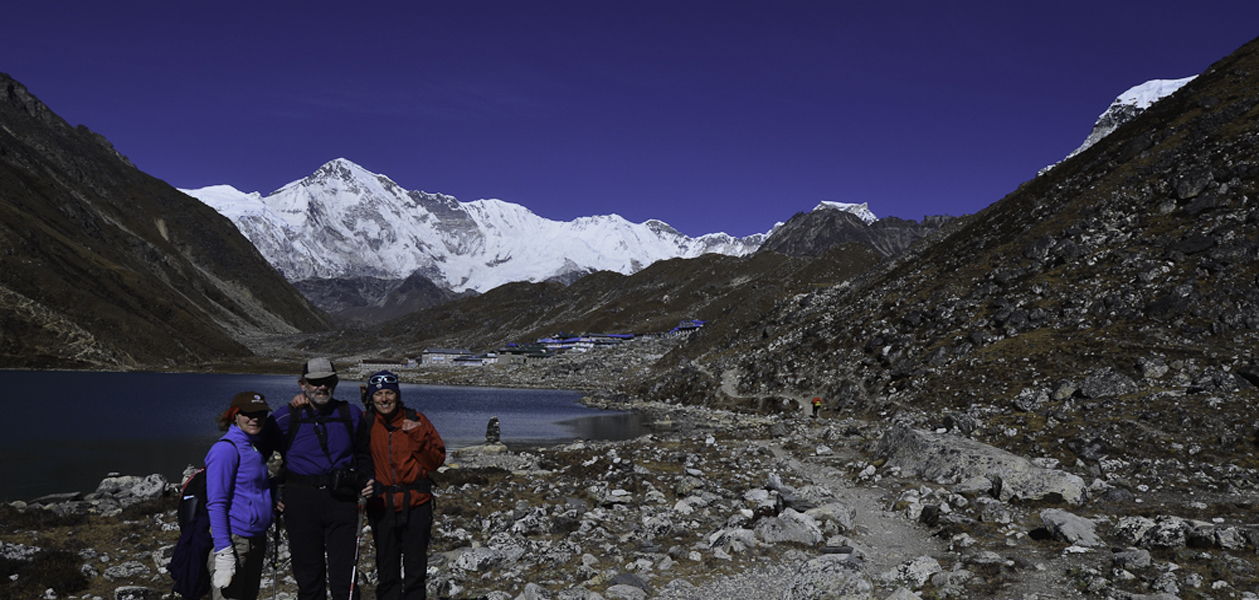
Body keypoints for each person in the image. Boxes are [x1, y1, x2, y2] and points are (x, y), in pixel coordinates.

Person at [270, 358, 374, 600]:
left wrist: (368, 478)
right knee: (308, 577)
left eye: (327, 382)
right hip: (300, 502)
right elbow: (258, 452)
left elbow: (363, 454)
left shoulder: (351, 414)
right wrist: (272, 489)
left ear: (335, 382)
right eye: (315, 382)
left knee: (345, 578)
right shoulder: (287, 416)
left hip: (343, 502)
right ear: (302, 385)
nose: (322, 387)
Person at [363, 370, 445, 600]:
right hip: (381, 505)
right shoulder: (366, 423)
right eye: (379, 394)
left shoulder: (417, 419)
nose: (385, 399)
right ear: (371, 398)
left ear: (397, 395)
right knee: (386, 568)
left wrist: (418, 436)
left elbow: (435, 461)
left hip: (417, 503)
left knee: (415, 568)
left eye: (389, 393)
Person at [206, 391, 277, 600]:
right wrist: (224, 552)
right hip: (234, 541)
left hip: (255, 540)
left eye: (261, 414)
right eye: (247, 413)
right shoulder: (225, 450)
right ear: (234, 415)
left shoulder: (252, 445)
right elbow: (216, 503)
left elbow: (252, 488)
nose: (255, 418)